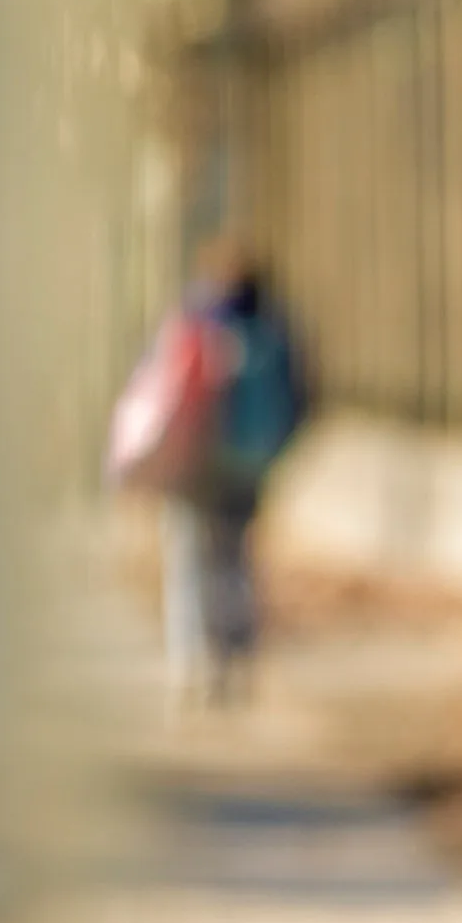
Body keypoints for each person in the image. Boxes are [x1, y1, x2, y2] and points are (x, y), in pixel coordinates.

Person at [112, 255, 311, 705]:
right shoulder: (275, 331)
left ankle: (191, 662)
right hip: (249, 465)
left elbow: (156, 392)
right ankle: (237, 656)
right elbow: (302, 400)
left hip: (193, 465)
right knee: (235, 558)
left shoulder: (191, 324)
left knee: (188, 561)